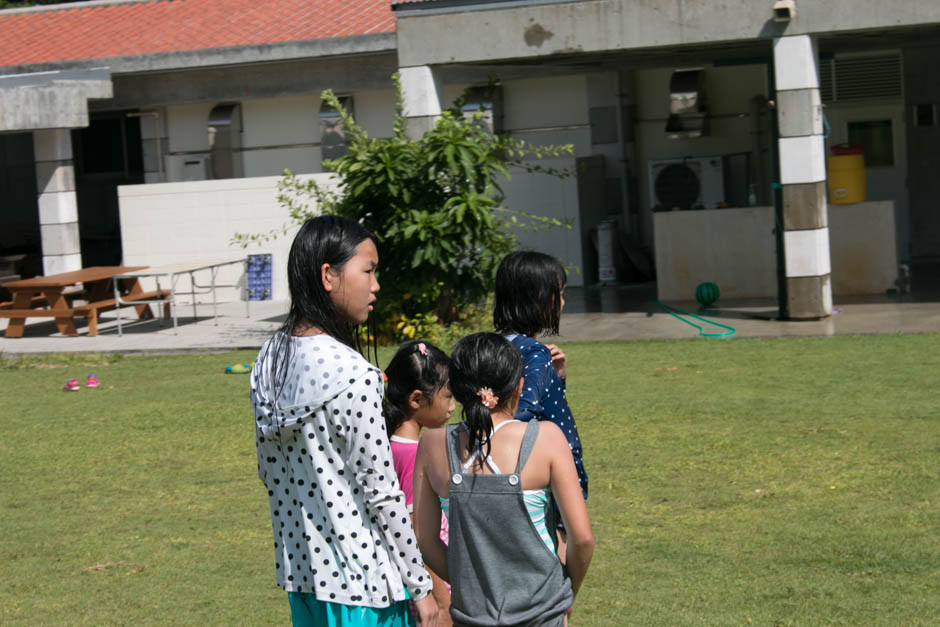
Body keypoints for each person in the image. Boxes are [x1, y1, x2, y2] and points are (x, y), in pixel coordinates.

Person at [251, 215, 439, 627]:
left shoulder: (268, 361)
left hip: (304, 580)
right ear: (328, 276)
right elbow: (384, 494)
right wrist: (421, 587)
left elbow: (268, 470)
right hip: (366, 590)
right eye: (368, 271)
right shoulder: (354, 374)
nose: (375, 285)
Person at [413, 333, 594, 626]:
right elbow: (582, 538)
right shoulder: (545, 439)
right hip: (543, 614)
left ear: (455, 388)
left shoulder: (432, 445)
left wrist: (470, 584)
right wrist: (567, 592)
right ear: (520, 386)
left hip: (471, 617)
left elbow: (424, 538)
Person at [494, 251, 588, 500]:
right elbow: (523, 415)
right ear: (539, 298)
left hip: (502, 476)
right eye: (560, 293)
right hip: (546, 487)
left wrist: (556, 378)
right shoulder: (535, 353)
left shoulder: (494, 346)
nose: (563, 302)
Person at [383, 340, 455, 626]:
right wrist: (443, 601)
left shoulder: (389, 446)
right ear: (416, 400)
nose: (452, 406)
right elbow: (416, 535)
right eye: (447, 396)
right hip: (434, 589)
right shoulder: (414, 455)